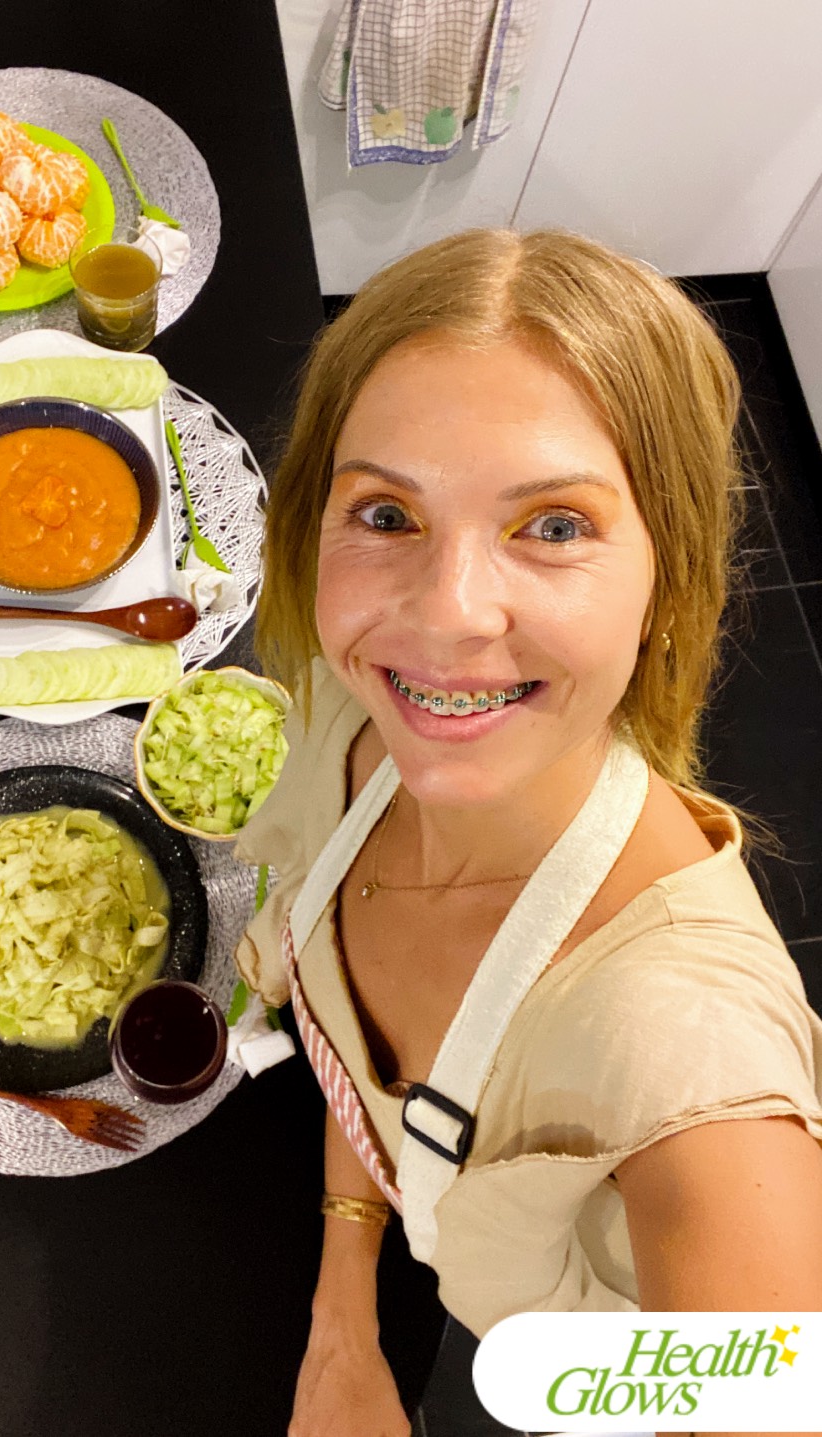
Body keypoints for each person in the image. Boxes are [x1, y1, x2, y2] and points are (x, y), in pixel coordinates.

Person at [233, 229, 822, 1437]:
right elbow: (355, 1053)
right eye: (387, 512)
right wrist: (345, 1313)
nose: (447, 617)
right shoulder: (350, 717)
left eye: (555, 526)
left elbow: (764, 1383)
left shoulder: (684, 1047)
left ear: (669, 579)